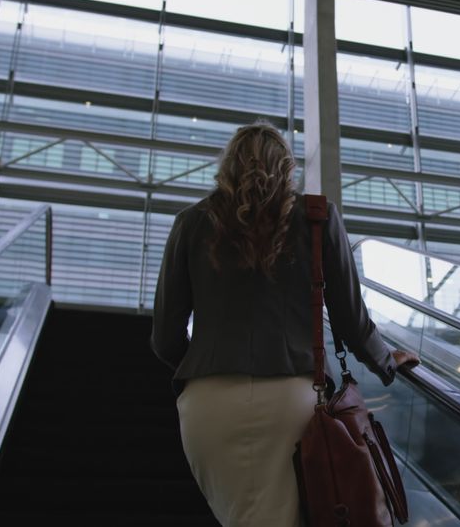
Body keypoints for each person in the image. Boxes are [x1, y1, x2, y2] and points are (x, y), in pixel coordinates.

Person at [150, 122, 419, 526]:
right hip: (295, 402)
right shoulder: (317, 217)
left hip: (208, 408)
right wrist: (386, 363)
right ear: (288, 168)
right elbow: (351, 320)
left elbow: (165, 338)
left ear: (227, 167)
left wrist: (208, 368)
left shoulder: (189, 223)